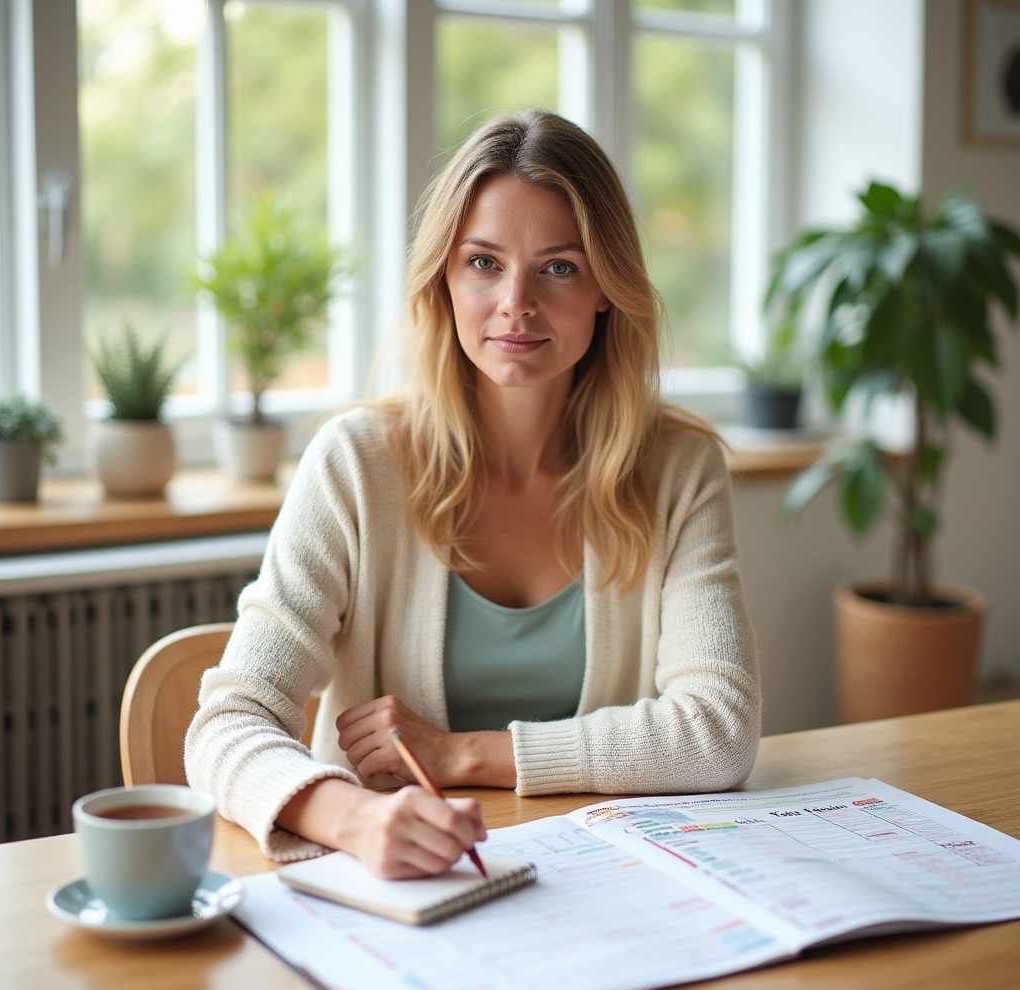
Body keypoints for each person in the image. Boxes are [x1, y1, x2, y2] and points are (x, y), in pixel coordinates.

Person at [185, 110, 761, 879]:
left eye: (558, 266)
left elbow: (720, 731)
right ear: (444, 280)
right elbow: (229, 721)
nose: (515, 303)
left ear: (606, 289)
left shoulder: (680, 469)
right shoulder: (356, 463)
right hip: (391, 885)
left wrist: (462, 754)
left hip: (607, 881)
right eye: (484, 263)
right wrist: (354, 816)